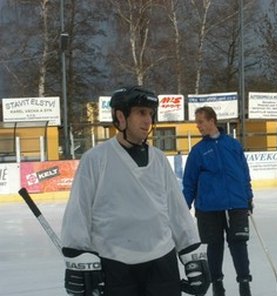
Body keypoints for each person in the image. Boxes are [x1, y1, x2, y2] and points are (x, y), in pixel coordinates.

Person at [60, 85, 210, 296]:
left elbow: (177, 210)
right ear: (121, 116)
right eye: (141, 112)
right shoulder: (95, 159)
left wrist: (192, 252)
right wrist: (77, 254)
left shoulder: (158, 159)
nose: (148, 120)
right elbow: (79, 210)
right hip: (115, 266)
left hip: (162, 264)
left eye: (150, 113)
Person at [182, 106, 254, 296]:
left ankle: (244, 284)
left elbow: (244, 174)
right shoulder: (197, 151)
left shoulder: (233, 145)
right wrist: (183, 208)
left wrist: (248, 198)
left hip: (236, 204)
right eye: (197, 122)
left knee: (239, 244)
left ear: (212, 120)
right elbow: (189, 182)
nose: (198, 126)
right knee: (214, 247)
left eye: (201, 121)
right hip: (208, 208)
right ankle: (217, 285)